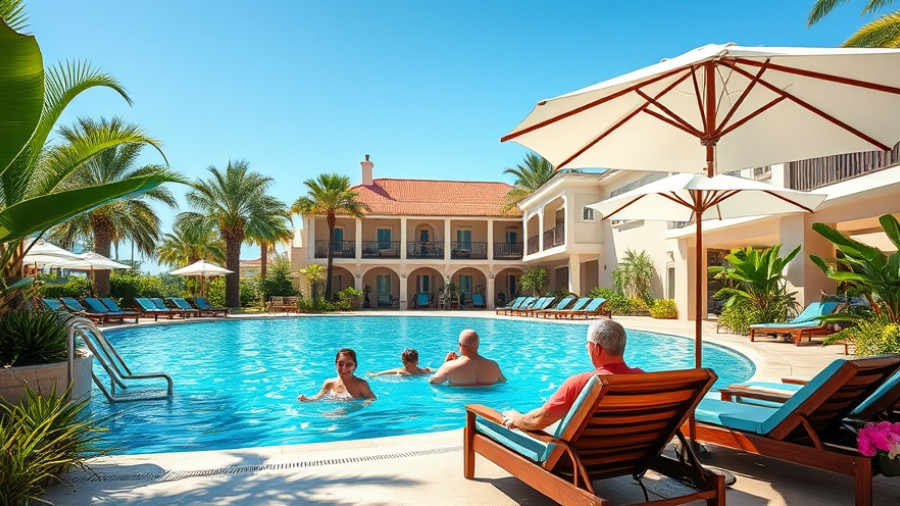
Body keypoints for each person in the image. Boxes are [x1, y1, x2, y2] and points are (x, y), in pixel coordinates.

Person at [500, 319, 642, 431]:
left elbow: (539, 420)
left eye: (588, 344)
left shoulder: (584, 382)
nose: (586, 348)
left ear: (597, 349)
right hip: (632, 456)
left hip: (579, 461)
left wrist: (516, 418)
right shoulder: (643, 378)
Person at [429, 329, 506, 386]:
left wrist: (445, 363)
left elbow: (433, 382)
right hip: (488, 403)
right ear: (478, 345)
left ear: (460, 345)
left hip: (459, 404)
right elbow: (503, 382)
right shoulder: (493, 365)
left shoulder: (449, 366)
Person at [298, 348, 376, 402]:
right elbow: (317, 397)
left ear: (355, 366)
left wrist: (357, 407)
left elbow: (372, 398)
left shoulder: (360, 384)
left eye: (349, 365)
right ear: (336, 364)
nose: (344, 368)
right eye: (340, 364)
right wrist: (306, 399)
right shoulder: (329, 383)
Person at [368, 348, 433, 377]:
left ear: (405, 362)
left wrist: (373, 374)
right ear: (417, 360)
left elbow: (379, 373)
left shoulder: (401, 371)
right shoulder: (425, 370)